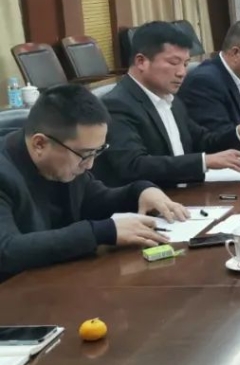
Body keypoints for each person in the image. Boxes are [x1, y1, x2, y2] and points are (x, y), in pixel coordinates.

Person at [0, 85, 189, 280]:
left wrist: (140, 192)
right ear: (40, 144)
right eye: (85, 154)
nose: (89, 165)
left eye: (96, 152)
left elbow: (95, 200)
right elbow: (6, 251)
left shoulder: (67, 158)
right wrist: (99, 232)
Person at [100, 22, 240, 188]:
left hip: (187, 194)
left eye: (185, 64)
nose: (182, 72)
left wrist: (239, 133)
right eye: (174, 63)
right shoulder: (116, 105)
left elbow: (202, 140)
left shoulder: (172, 100)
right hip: (152, 203)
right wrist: (203, 162)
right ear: (141, 62)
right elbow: (134, 165)